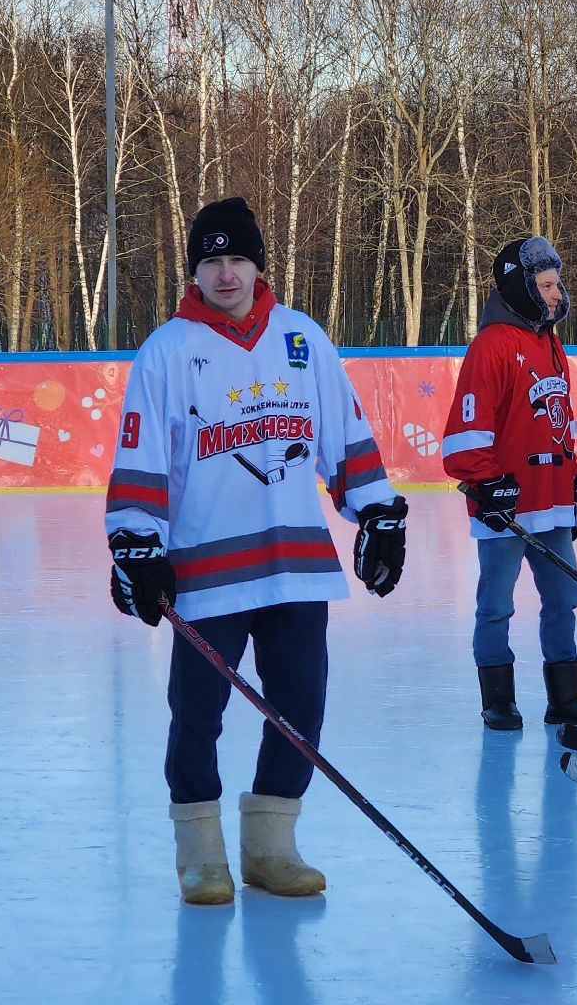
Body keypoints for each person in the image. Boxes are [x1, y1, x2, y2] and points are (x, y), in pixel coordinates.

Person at [107, 197, 408, 904]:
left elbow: (346, 437)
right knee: (197, 716)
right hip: (207, 574)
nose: (226, 273)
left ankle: (272, 846)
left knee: (301, 709)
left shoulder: (302, 339)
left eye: (238, 258)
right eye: (211, 261)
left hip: (297, 567)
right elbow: (141, 462)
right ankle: (202, 855)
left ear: (259, 265)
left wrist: (379, 514)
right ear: (196, 272)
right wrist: (136, 548)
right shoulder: (168, 353)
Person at [442, 237, 577, 731]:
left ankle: (566, 696)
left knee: (563, 600)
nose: (557, 294)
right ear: (519, 288)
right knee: (496, 604)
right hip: (507, 504)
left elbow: (556, 425)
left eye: (556, 284)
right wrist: (485, 484)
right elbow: (464, 434)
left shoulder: (550, 344)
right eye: (545, 285)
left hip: (553, 499)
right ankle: (498, 699)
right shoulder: (493, 344)